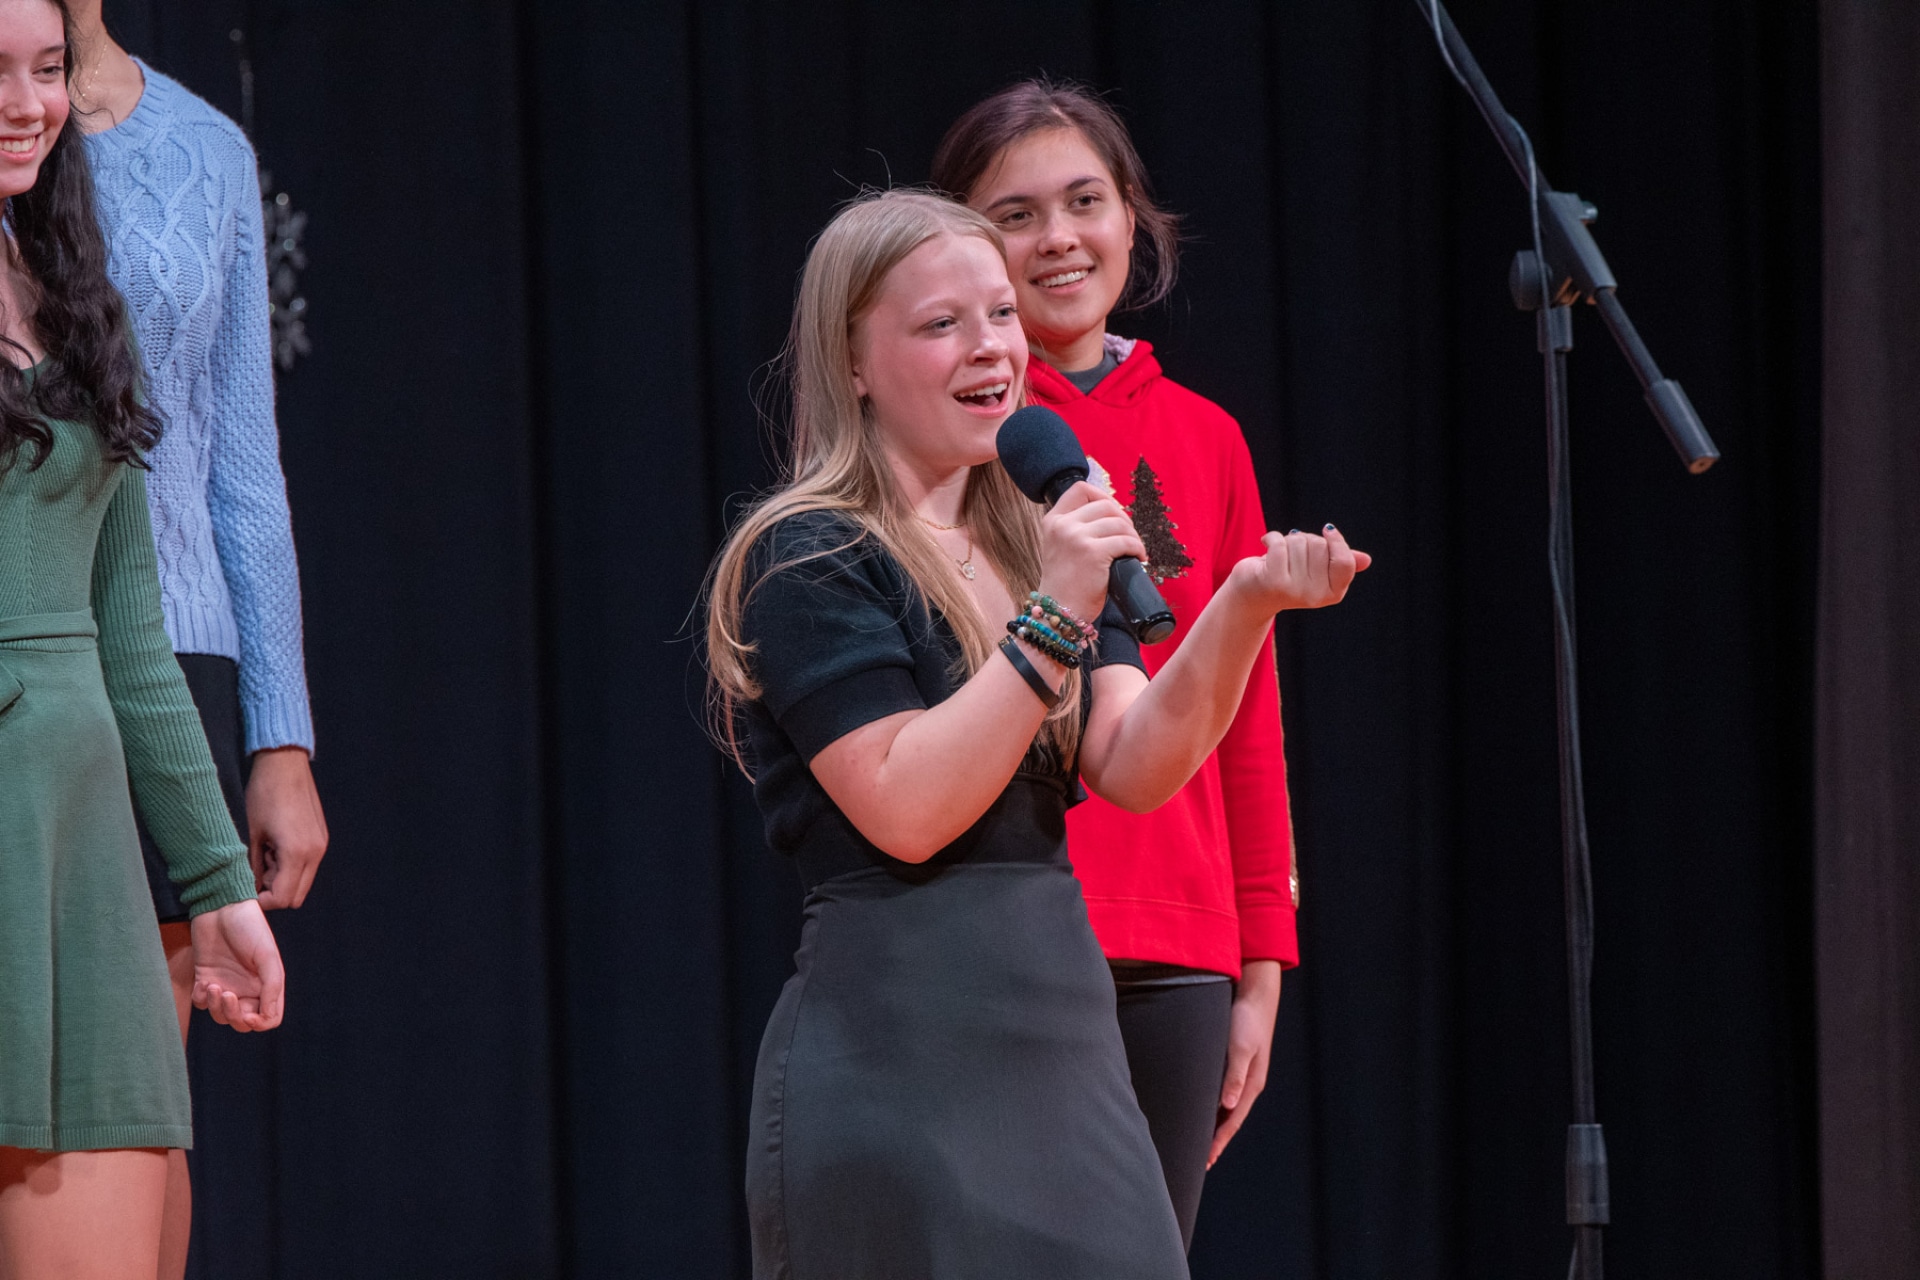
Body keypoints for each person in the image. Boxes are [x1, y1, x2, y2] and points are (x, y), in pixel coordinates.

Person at [704, 189, 1366, 1279]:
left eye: (1002, 313)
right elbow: (908, 808)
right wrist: (1054, 612)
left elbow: (1135, 763)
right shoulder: (811, 556)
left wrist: (1244, 603)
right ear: (853, 362)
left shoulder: (1039, 536)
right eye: (942, 323)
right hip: (896, 1053)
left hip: (1066, 1052)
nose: (993, 347)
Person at [931, 80, 1306, 1247]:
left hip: (1179, 938)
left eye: (1084, 201)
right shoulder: (957, 433)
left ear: (1133, 219)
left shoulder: (1209, 436)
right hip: (1007, 929)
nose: (1057, 237)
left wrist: (1260, 955)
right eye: (1015, 214)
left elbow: (1247, 717)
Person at [0, 1, 286, 1276]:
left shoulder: (67, 293)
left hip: (81, 841)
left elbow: (134, 642)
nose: (27, 104)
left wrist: (218, 885)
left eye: (48, 68)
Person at [63, 7, 327, 1274]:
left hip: (171, 648)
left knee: (139, 1085)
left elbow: (242, 465)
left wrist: (281, 735)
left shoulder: (205, 146)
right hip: (25, 634)